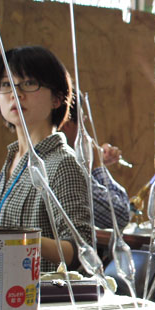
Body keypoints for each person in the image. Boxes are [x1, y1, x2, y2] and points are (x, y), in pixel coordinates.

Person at [0, 46, 93, 274]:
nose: (16, 94)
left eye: (29, 83)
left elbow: (80, 251)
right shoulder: (13, 158)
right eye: (6, 84)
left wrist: (19, 238)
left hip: (40, 293)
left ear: (57, 98)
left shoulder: (62, 163)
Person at [59, 97, 131, 230]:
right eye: (83, 122)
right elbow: (121, 215)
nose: (85, 133)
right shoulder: (67, 168)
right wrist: (97, 167)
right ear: (67, 123)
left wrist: (92, 164)